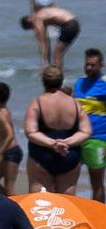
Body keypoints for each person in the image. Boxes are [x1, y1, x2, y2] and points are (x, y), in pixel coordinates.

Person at [24, 65, 90, 194]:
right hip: (69, 156)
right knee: (67, 203)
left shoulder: (37, 102)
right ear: (61, 81)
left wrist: (53, 144)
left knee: (40, 204)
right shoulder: (74, 103)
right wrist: (66, 143)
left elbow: (31, 132)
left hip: (41, 156)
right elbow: (86, 131)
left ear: (43, 81)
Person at [73, 48, 106, 201]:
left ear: (101, 65)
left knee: (96, 183)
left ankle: (100, 217)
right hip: (77, 139)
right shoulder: (79, 82)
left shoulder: (104, 83)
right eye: (87, 64)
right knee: (71, 180)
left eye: (93, 65)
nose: (89, 68)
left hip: (98, 139)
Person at [21, 5, 80, 72]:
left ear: (29, 24)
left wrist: (44, 63)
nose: (34, 29)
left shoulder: (36, 20)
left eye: (31, 28)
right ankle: (56, 74)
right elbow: (46, 41)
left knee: (57, 54)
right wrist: (47, 62)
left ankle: (58, 77)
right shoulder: (40, 13)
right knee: (58, 53)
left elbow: (42, 42)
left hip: (69, 25)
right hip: (74, 23)